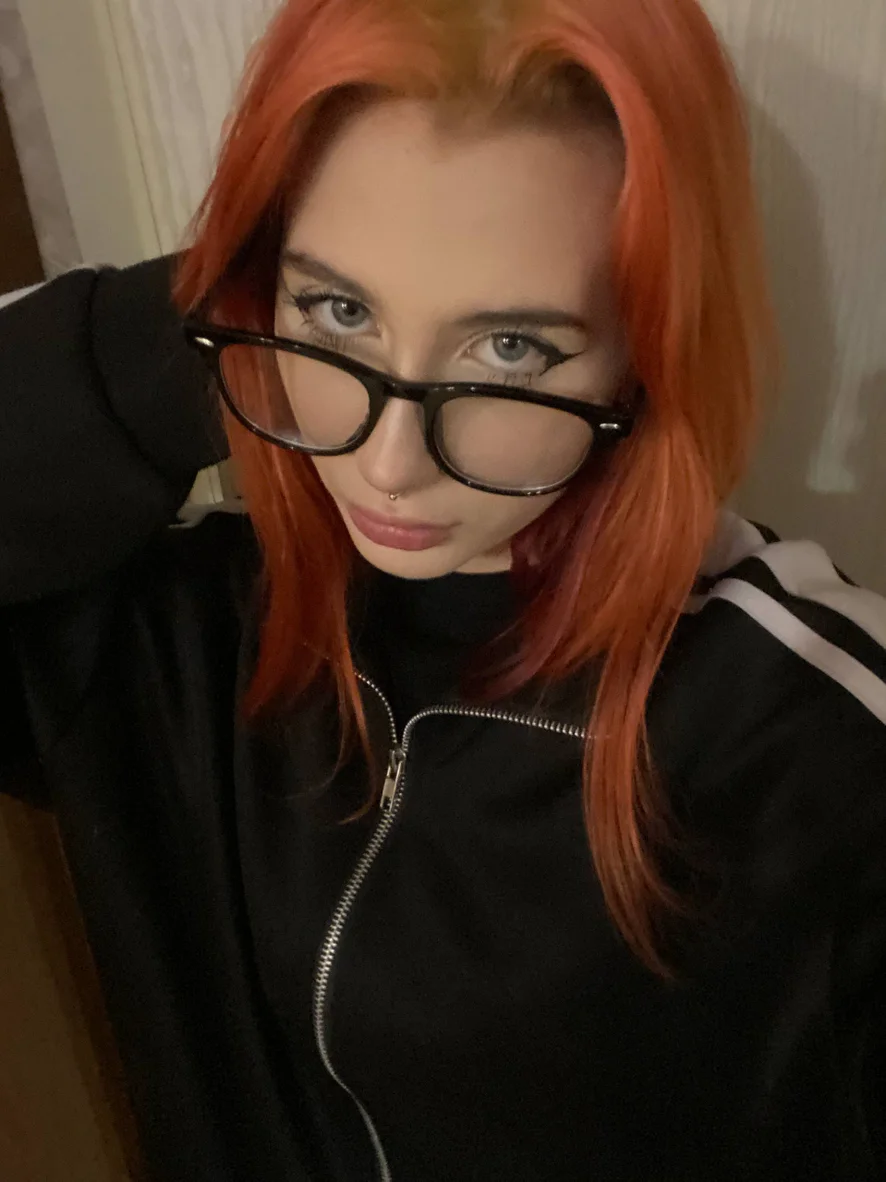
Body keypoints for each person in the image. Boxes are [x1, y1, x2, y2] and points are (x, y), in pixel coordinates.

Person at [2, 0, 885, 1178]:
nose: (388, 464)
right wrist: (201, 324)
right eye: (340, 309)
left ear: (650, 346)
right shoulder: (177, 631)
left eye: (509, 348)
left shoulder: (803, 737)